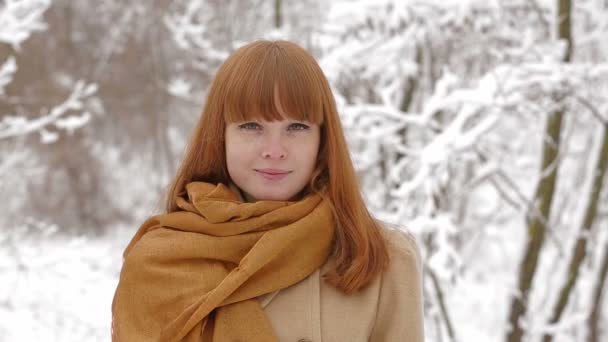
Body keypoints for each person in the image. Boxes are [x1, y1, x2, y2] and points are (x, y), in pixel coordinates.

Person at [111, 40, 424, 342]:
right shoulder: (159, 262)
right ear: (220, 135)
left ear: (322, 139)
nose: (275, 150)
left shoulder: (380, 256)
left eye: (297, 127)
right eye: (251, 127)